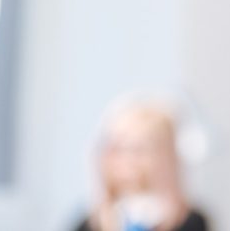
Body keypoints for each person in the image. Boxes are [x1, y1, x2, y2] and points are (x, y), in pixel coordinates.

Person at [74, 97, 209, 231]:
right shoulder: (91, 224)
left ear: (165, 158)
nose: (127, 159)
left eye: (138, 149)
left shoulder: (191, 222)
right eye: (119, 147)